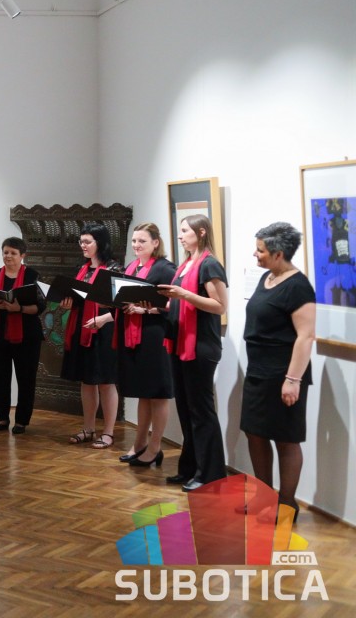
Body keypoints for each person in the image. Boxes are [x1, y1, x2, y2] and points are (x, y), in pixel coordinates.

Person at [241, 222, 315, 522]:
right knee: (255, 433)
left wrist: (292, 380)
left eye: (260, 250)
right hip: (258, 371)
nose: (255, 254)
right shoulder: (267, 277)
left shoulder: (298, 286)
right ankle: (263, 496)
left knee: (285, 438)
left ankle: (286, 505)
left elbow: (305, 337)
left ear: (278, 253)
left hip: (284, 373)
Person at [157, 214, 229, 492]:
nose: (180, 235)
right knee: (186, 411)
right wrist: (153, 305)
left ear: (201, 233)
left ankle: (211, 474)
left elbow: (219, 305)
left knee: (201, 412)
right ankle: (189, 468)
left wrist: (183, 295)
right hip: (179, 342)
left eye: (185, 231)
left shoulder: (209, 264)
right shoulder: (186, 263)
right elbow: (177, 304)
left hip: (200, 346)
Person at [114, 223, 177, 467]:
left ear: (155, 243)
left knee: (158, 394)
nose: (137, 245)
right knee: (144, 392)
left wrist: (147, 310)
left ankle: (155, 446)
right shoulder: (132, 267)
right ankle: (139, 443)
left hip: (155, 335)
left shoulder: (165, 268)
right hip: (135, 335)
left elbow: (175, 302)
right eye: (134, 241)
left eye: (142, 241)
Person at [59, 222, 121, 449]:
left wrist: (103, 319)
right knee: (87, 381)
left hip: (104, 329)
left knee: (105, 382)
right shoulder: (82, 268)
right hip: (83, 327)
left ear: (100, 242)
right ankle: (88, 428)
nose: (83, 246)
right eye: (81, 241)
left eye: (87, 242)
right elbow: (79, 299)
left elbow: (122, 306)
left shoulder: (114, 268)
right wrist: (68, 304)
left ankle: (109, 432)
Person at [0, 237, 44, 435]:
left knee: (26, 379)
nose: (8, 256)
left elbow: (40, 306)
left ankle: (21, 421)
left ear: (22, 256)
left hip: (27, 336)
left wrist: (18, 308)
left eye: (13, 253)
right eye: (5, 252)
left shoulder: (32, 275)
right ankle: (2, 418)